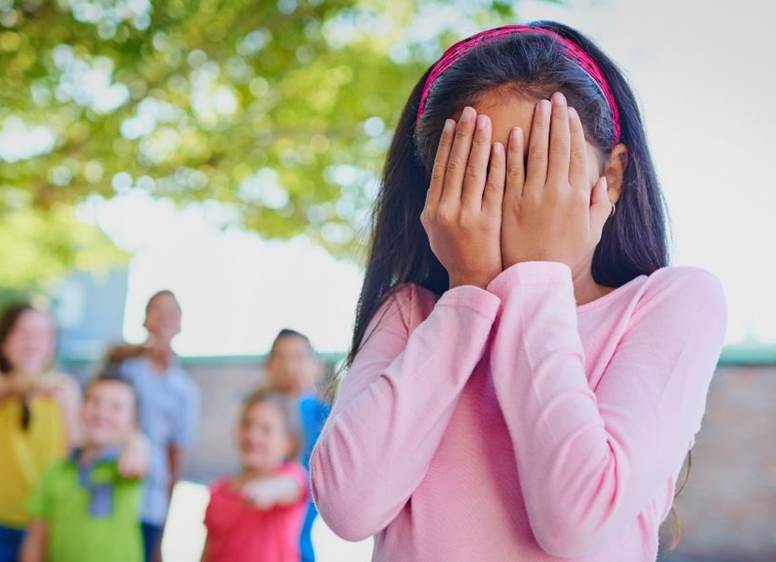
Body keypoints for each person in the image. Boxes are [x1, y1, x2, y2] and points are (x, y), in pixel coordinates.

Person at [310, 21, 727, 562]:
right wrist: (467, 296)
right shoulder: (410, 314)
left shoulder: (672, 304)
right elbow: (349, 507)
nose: (518, 200)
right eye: (481, 174)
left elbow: (578, 520)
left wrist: (535, 277)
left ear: (614, 176)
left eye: (543, 166)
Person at [0, 303, 82, 562]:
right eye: (22, 332)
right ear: (2, 343)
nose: (32, 342)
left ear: (51, 345)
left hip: (41, 527)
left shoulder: (64, 393)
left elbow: (75, 451)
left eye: (41, 334)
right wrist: (37, 383)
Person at [108, 289, 200, 561]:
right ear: (145, 320)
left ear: (180, 324)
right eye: (156, 311)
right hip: (110, 487)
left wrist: (163, 532)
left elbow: (175, 457)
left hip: (150, 500)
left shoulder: (185, 391)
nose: (163, 319)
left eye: (171, 313)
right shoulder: (123, 368)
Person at [20, 373, 145, 562]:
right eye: (95, 402)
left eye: (116, 407)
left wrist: (136, 441)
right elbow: (35, 542)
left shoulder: (125, 468)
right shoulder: (55, 472)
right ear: (81, 409)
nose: (102, 412)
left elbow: (136, 463)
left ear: (133, 424)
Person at [202, 389, 309, 562]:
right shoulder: (218, 490)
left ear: (288, 443)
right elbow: (208, 549)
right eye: (247, 424)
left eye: (266, 430)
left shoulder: (292, 476)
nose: (253, 435)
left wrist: (268, 490)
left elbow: (291, 487)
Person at [264, 329, 330, 562]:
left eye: (298, 357)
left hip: (300, 529)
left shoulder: (325, 415)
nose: (289, 366)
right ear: (269, 366)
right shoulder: (261, 412)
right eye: (281, 357)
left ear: (315, 365)